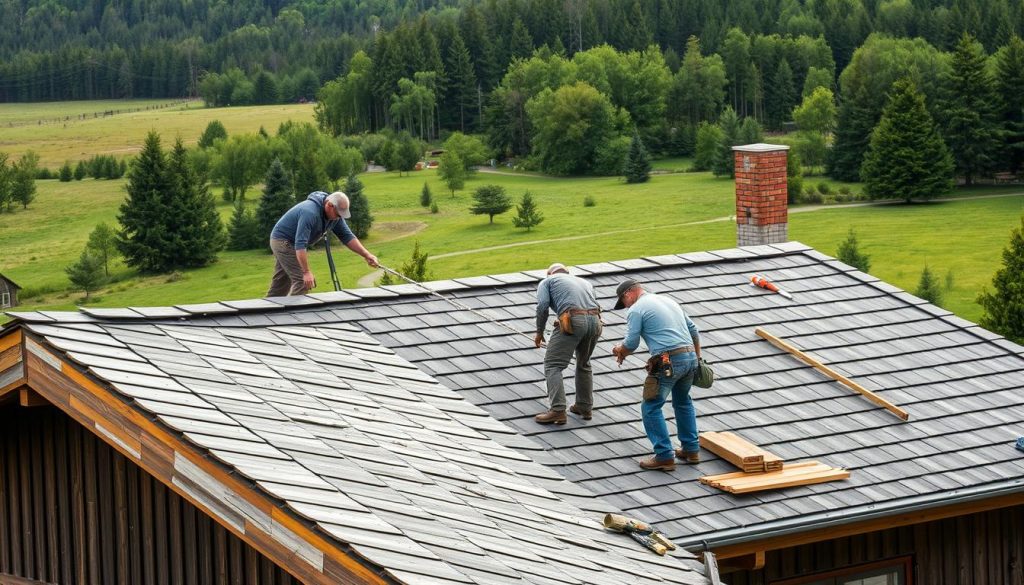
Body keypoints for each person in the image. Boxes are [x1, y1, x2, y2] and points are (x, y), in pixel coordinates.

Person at [611, 279, 702, 471]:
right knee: (683, 401)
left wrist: (619, 350)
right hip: (690, 357)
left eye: (624, 302)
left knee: (651, 406)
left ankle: (663, 455)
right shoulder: (668, 301)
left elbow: (631, 343)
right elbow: (693, 330)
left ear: (628, 294)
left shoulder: (637, 309)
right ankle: (691, 449)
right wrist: (697, 359)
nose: (626, 306)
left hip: (668, 361)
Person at [267, 191, 378, 297]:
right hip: (282, 241)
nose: (338, 218)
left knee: (280, 283)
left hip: (290, 242)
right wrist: (306, 272)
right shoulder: (310, 213)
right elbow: (300, 244)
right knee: (303, 281)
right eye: (338, 214)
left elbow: (347, 236)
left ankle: (267, 309)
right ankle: (293, 315)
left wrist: (366, 255)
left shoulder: (335, 216)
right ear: (329, 205)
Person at [533, 263, 603, 425]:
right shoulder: (585, 282)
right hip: (595, 322)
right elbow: (589, 307)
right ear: (567, 273)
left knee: (553, 365)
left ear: (549, 273)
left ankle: (557, 410)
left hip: (573, 320)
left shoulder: (547, 281)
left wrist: (539, 332)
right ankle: (584, 406)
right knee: (584, 363)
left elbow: (542, 306)